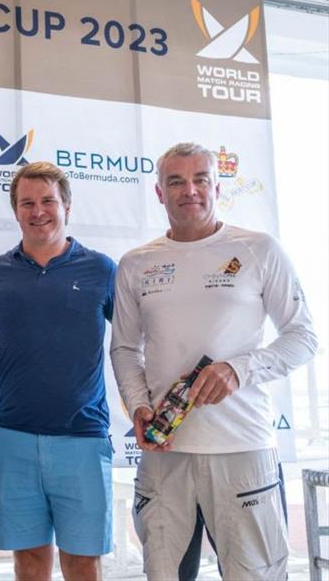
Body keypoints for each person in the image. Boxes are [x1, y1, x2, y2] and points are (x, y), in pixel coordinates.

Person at [110, 142, 318, 580]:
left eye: (200, 179)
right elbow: (125, 349)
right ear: (159, 193)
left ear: (216, 185)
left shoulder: (260, 250)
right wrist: (140, 406)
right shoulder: (135, 264)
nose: (190, 190)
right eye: (176, 181)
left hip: (242, 448)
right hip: (165, 453)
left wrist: (239, 369)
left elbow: (303, 337)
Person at [0, 162, 116, 581]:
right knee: (30, 562)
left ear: (67, 206)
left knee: (82, 562)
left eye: (48, 201)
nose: (38, 211)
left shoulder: (102, 269)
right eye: (27, 203)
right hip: (12, 437)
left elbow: (132, 346)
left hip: (82, 439)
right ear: (15, 210)